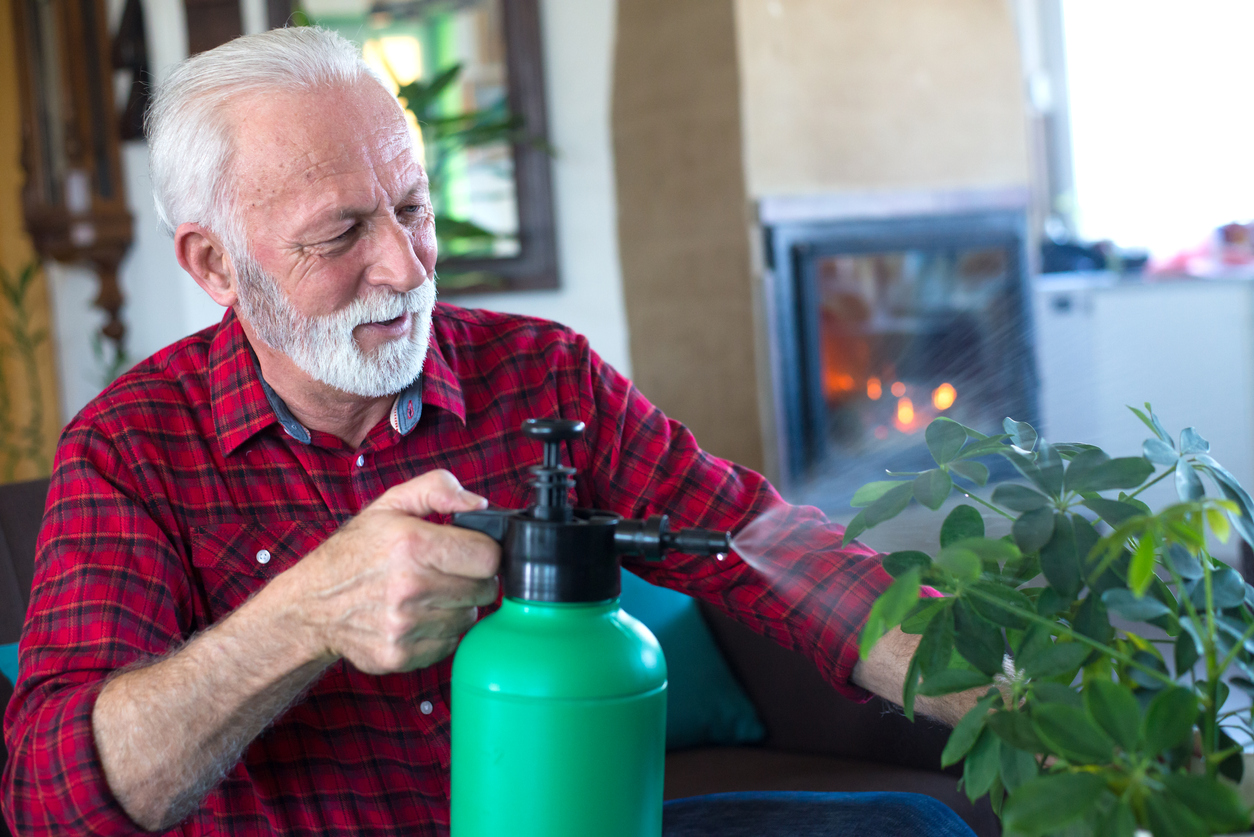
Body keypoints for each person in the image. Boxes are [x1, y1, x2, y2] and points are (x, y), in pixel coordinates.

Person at [1, 27, 977, 837]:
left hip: (578, 819)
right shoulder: (131, 451)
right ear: (215, 264)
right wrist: (302, 618)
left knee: (914, 827)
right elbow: (52, 802)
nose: (405, 267)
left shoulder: (538, 373)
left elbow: (761, 548)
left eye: (413, 209)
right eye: (340, 235)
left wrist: (1034, 700)